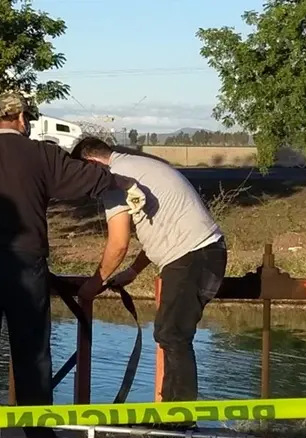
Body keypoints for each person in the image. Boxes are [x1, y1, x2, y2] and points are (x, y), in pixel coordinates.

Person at [0, 92, 146, 438]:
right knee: (32, 352)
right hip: (27, 266)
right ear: (21, 118)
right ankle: (38, 434)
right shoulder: (41, 153)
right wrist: (124, 183)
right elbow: (91, 179)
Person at [71, 136, 227, 406]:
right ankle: (171, 416)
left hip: (191, 256)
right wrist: (133, 271)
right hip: (202, 253)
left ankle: (177, 419)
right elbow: (160, 229)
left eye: (84, 174)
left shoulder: (113, 179)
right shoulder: (139, 166)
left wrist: (93, 285)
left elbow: (118, 244)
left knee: (173, 334)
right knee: (171, 333)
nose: (87, 183)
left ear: (91, 163)